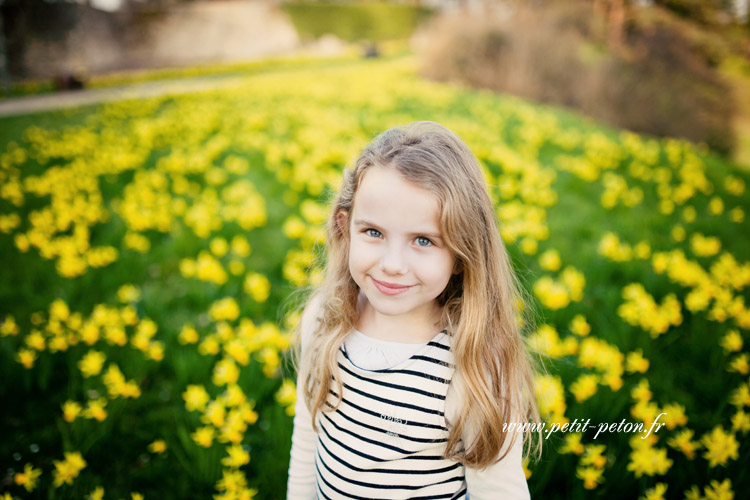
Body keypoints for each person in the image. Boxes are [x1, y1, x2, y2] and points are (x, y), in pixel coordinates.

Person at [286, 121, 540, 499]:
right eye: (373, 232)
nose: (392, 264)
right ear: (345, 227)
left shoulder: (472, 363)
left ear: (462, 254)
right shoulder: (325, 319)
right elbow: (308, 440)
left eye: (423, 240)